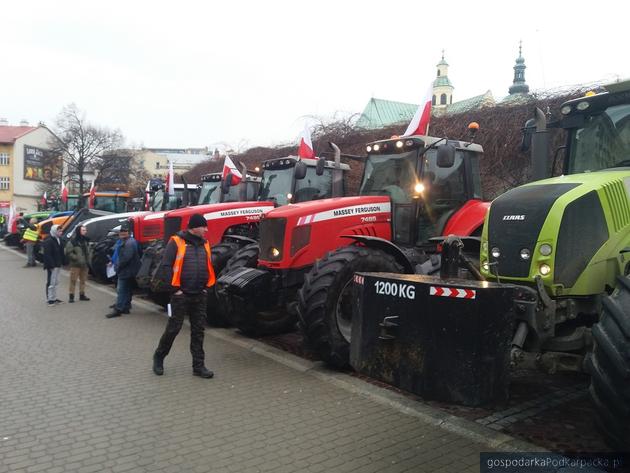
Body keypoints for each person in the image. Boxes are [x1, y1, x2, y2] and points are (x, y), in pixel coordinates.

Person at [152, 213, 215, 379]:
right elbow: (166, 266)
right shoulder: (176, 242)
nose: (206, 230)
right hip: (180, 295)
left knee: (198, 331)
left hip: (199, 294)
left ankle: (198, 366)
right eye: (204, 226)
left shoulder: (205, 244)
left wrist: (205, 288)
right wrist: (175, 290)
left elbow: (208, 265)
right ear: (194, 227)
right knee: (174, 329)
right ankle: (159, 356)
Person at [106, 221, 141, 318]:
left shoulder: (128, 243)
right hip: (130, 270)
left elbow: (125, 258)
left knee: (121, 290)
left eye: (122, 232)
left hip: (126, 271)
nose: (120, 234)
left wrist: (117, 267)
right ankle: (126, 307)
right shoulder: (131, 241)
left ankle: (118, 309)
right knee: (127, 289)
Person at [65, 225, 90, 303]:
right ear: (79, 231)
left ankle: (82, 295)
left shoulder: (86, 240)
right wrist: (76, 258)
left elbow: (87, 251)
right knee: (73, 281)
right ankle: (71, 296)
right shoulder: (73, 241)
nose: (85, 231)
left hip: (85, 264)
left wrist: (88, 259)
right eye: (83, 230)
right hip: (75, 265)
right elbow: (68, 252)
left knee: (83, 280)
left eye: (85, 230)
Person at [42, 224, 65, 306]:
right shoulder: (49, 240)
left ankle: (54, 298)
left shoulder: (59, 239)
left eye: (61, 231)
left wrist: (64, 261)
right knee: (51, 283)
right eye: (59, 231)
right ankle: (50, 299)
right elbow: (47, 254)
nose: (61, 232)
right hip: (52, 265)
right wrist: (51, 265)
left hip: (58, 264)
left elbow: (61, 252)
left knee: (56, 282)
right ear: (55, 231)